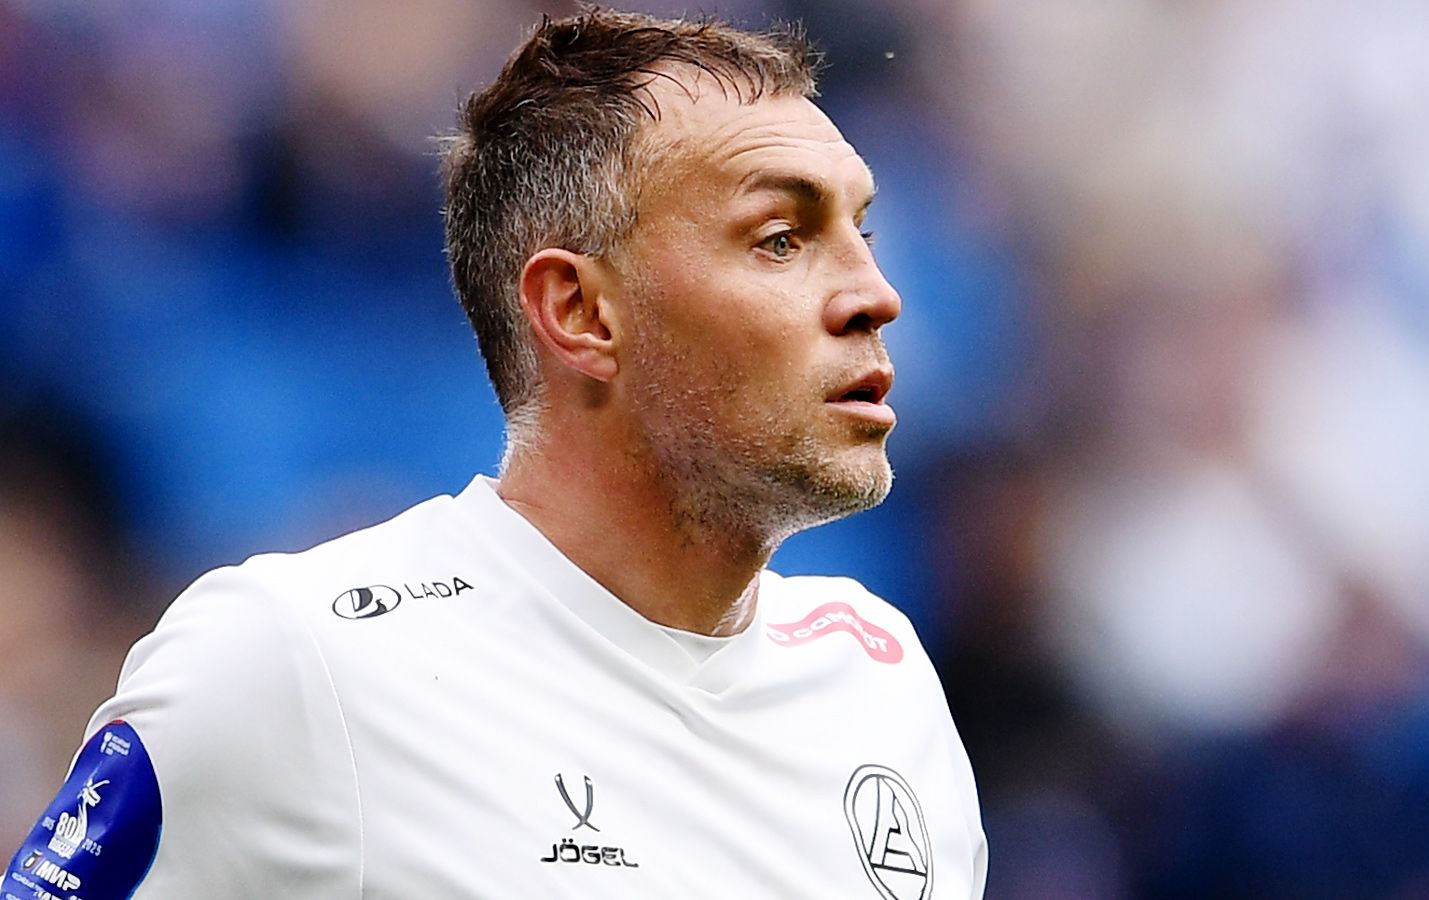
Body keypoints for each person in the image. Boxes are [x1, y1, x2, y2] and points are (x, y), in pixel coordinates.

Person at [3, 9, 987, 899]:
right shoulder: (296, 662)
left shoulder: (882, 681)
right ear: (580, 312)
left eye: (862, 229)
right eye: (779, 238)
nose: (876, 293)